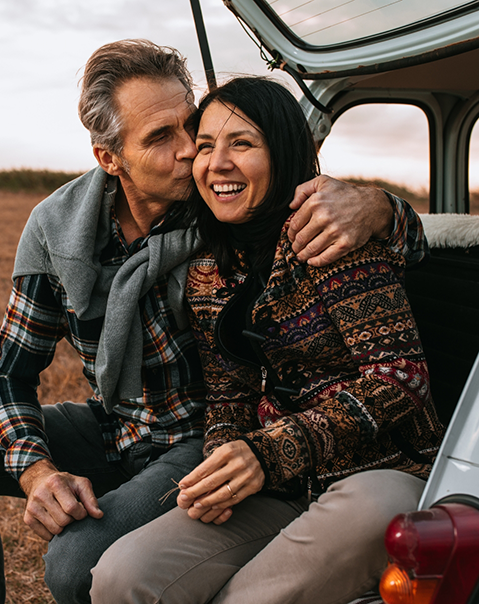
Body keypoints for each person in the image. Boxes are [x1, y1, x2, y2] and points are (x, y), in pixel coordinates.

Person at [0, 41, 427, 604]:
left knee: (75, 564)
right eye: (163, 138)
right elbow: (8, 372)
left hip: (194, 436)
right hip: (119, 421)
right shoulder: (58, 228)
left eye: (191, 128)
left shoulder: (224, 207)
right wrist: (36, 472)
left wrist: (380, 206)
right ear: (109, 157)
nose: (192, 155)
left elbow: (321, 218)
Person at [90, 77, 444, 604]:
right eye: (205, 146)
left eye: (243, 143)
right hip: (278, 487)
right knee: (123, 576)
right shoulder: (208, 269)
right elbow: (228, 393)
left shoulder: (333, 233)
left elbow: (400, 380)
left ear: (283, 151)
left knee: (353, 526)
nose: (217, 163)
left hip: (381, 476)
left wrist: (270, 452)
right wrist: (225, 464)